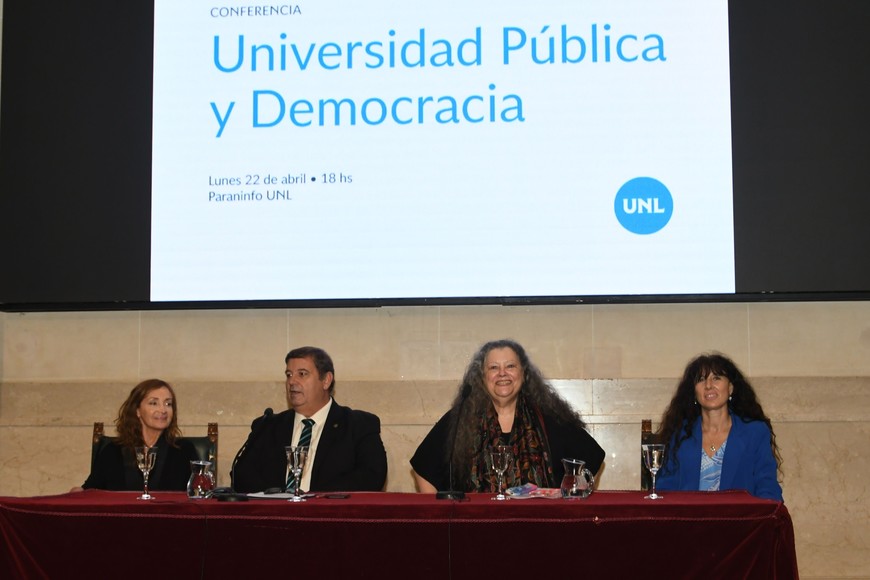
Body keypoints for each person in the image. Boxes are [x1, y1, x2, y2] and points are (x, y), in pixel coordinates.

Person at [411, 339, 605, 494]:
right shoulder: (461, 418)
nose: (502, 374)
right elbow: (423, 468)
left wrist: (572, 504)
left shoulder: (549, 418)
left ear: (524, 374)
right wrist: (437, 514)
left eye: (510, 366)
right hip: (474, 532)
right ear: (482, 376)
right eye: (493, 368)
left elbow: (593, 457)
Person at [231, 346, 388, 493]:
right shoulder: (267, 426)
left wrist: (314, 499)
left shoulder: (358, 425)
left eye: (302, 374)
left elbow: (372, 477)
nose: (292, 382)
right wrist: (279, 499)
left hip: (330, 517)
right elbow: (241, 475)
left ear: (326, 380)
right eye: (288, 375)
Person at [655, 353, 783, 501]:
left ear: (730, 388)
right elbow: (665, 489)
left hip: (740, 522)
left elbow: (767, 486)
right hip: (689, 522)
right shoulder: (679, 434)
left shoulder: (755, 432)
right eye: (701, 380)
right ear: (694, 392)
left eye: (716, 378)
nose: (708, 385)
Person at [74, 379, 199, 491]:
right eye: (153, 403)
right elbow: (89, 491)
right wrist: (78, 492)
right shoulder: (113, 451)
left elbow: (199, 495)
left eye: (168, 404)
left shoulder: (184, 450)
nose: (163, 410)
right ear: (137, 410)